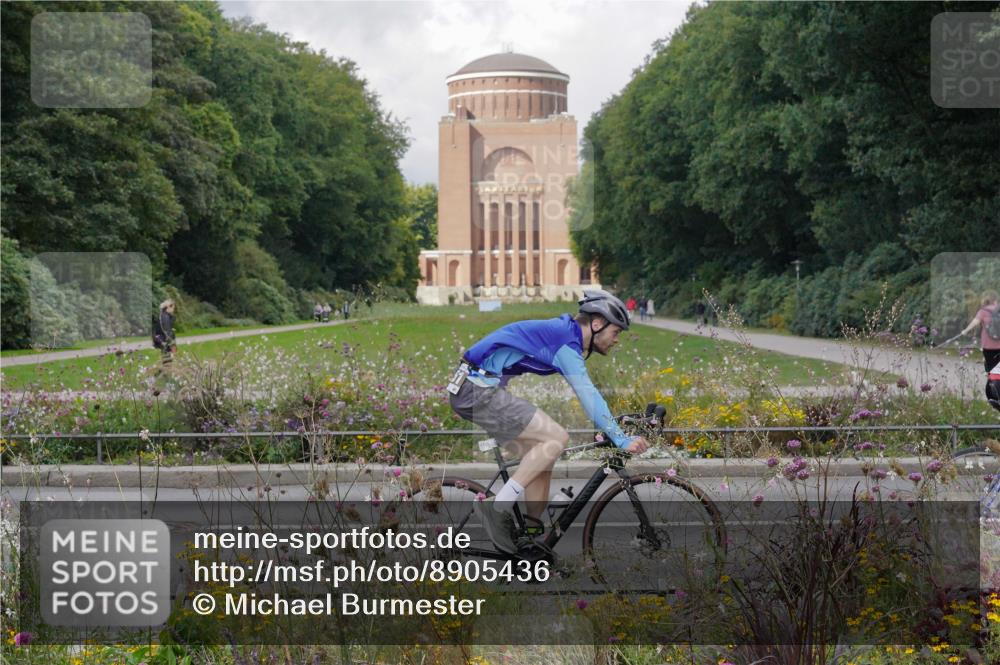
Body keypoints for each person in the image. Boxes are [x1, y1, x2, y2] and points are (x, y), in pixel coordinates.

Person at [449, 289, 651, 553]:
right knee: (556, 438)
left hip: (474, 389)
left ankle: (532, 540)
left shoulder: (565, 335)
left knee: (543, 453)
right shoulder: (565, 341)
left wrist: (614, 427)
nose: (616, 340)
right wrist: (621, 439)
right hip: (476, 390)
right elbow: (588, 395)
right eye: (616, 332)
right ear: (597, 323)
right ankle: (496, 508)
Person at [959, 290, 1000, 407]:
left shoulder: (983, 311)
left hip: (988, 347)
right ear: (995, 300)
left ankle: (994, 395)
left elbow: (974, 323)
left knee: (992, 370)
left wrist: (964, 331)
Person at [158, 299, 177, 365]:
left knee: (166, 361)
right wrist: (172, 345)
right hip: (167, 343)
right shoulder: (165, 317)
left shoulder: (164, 315)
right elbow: (167, 332)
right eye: (173, 308)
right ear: (169, 307)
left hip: (165, 342)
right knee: (168, 362)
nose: (173, 310)